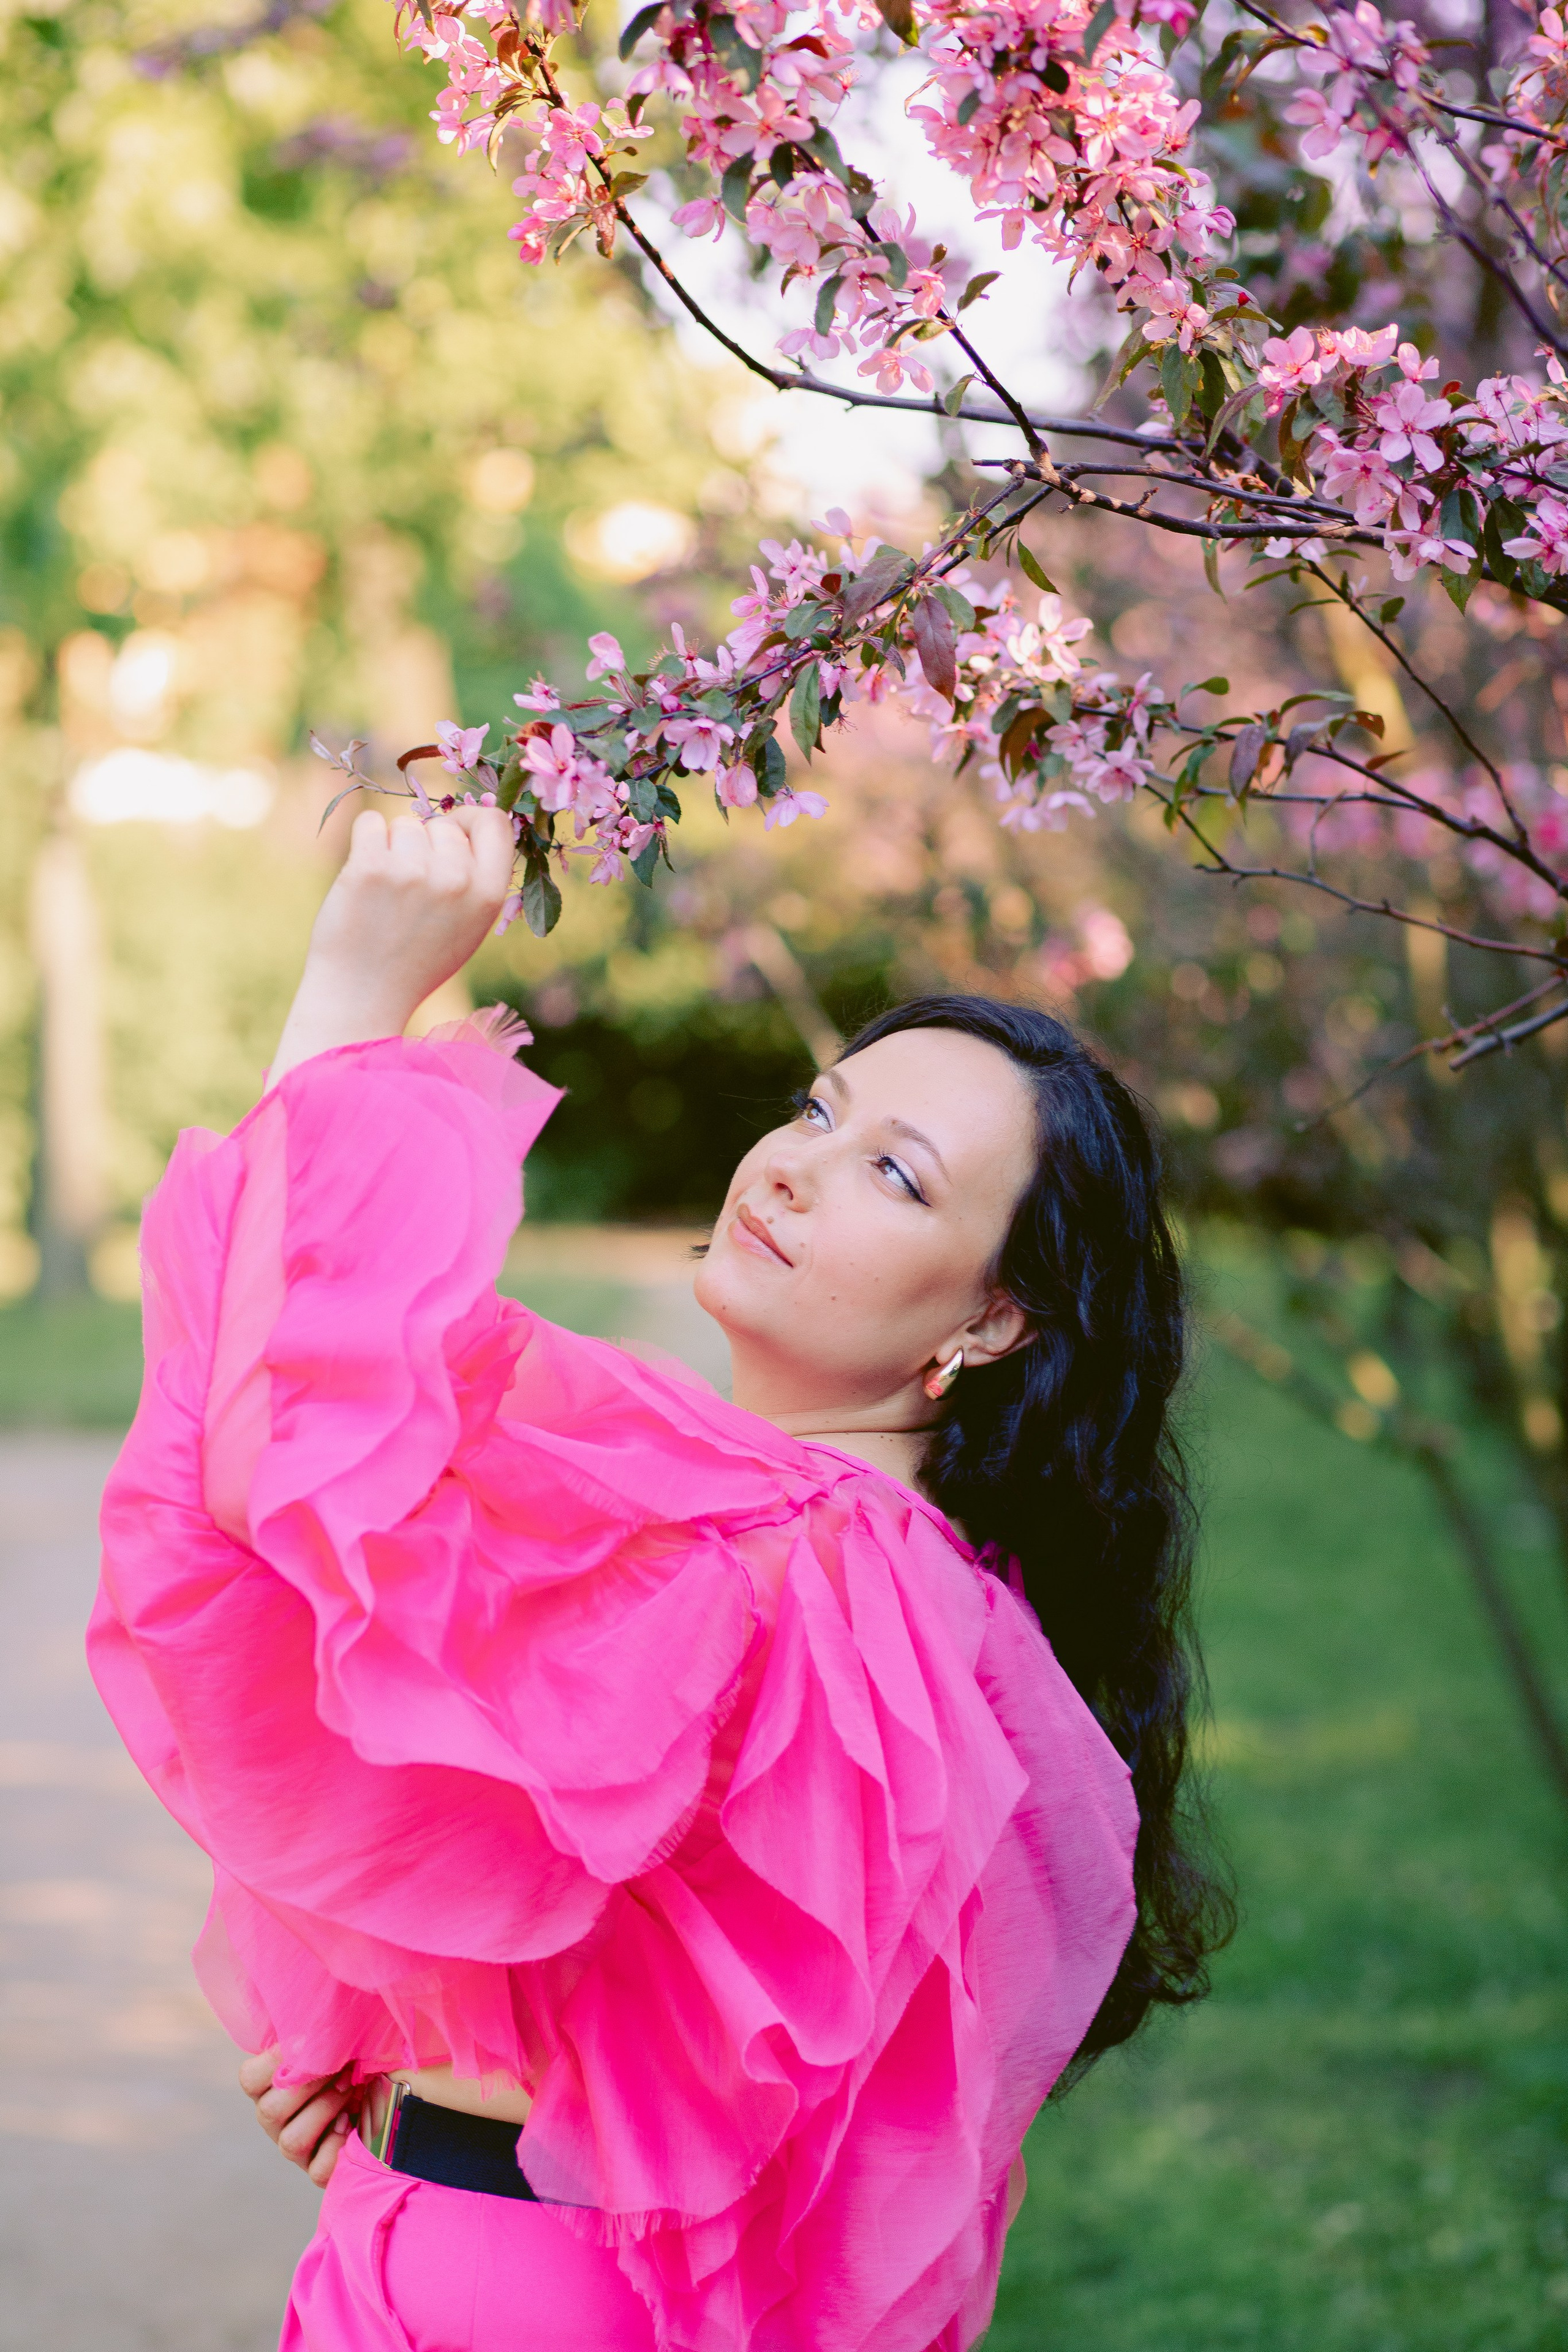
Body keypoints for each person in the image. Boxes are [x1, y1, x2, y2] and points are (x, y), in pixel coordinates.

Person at [89, 804, 1231, 2352]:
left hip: (523, 2295)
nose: (792, 1169)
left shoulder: (789, 1559)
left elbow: (281, 1475)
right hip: (478, 2245)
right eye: (818, 1111)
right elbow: (581, 1904)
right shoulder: (898, 1574)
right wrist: (418, 2048)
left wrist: (354, 1002)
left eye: (892, 1176)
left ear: (988, 1324)